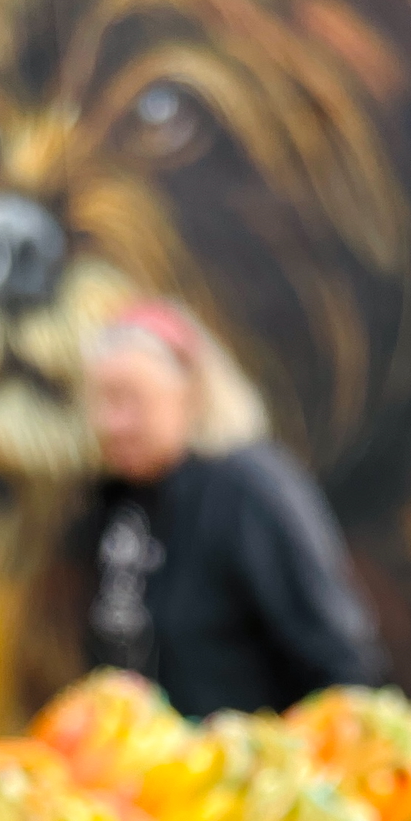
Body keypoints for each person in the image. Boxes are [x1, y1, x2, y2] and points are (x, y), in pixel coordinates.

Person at [25, 301, 388, 719]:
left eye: (131, 400)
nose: (113, 423)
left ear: (191, 394)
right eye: (102, 401)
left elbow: (337, 651)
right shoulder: (113, 498)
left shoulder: (249, 489)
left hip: (246, 765)